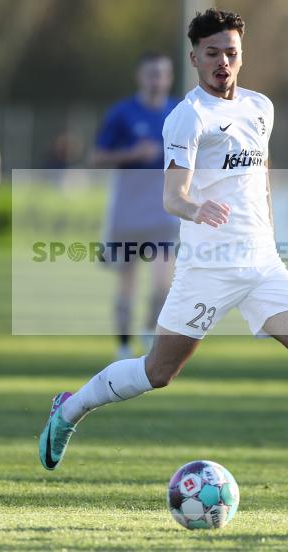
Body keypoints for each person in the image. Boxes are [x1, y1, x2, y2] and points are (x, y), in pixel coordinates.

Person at [39, 9, 288, 503]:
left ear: (242, 55)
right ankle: (68, 411)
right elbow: (173, 197)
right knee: (158, 373)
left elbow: (261, 178)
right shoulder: (187, 117)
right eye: (212, 53)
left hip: (261, 264)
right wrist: (198, 207)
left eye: (231, 52)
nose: (222, 61)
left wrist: (269, 236)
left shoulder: (261, 107)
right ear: (193, 57)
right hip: (208, 270)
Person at [90, 51, 181, 359]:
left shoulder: (179, 112)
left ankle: (148, 328)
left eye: (163, 73)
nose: (158, 80)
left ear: (170, 77)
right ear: (140, 77)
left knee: (163, 283)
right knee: (126, 285)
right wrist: (131, 154)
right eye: (151, 73)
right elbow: (96, 157)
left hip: (164, 214)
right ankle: (124, 345)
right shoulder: (122, 113)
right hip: (127, 215)